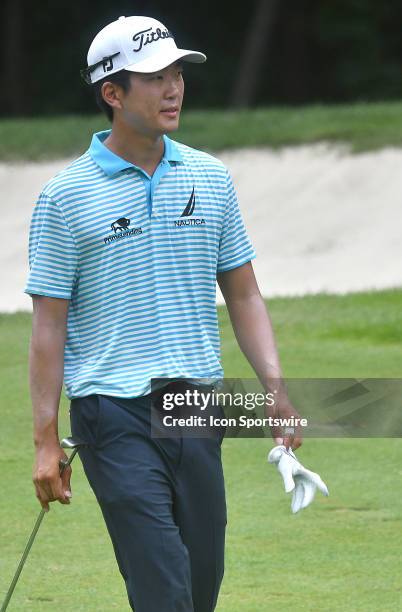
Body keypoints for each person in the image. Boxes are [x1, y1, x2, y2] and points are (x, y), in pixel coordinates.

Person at [24, 15, 302, 612]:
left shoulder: (210, 176)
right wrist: (46, 440)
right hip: (112, 413)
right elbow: (49, 325)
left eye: (177, 72)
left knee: (201, 586)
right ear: (113, 92)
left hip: (196, 407)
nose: (173, 86)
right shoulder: (63, 198)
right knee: (164, 589)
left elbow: (245, 294)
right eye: (155, 76)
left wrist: (274, 389)